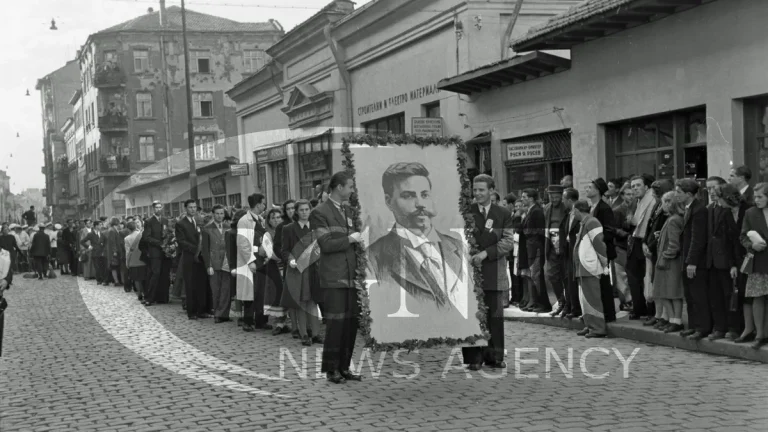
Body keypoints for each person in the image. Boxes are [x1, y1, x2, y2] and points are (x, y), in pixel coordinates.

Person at [366, 162, 470, 314]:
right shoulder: (373, 258)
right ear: (388, 201)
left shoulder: (458, 247)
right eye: (408, 196)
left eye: (425, 195)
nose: (420, 204)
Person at [311, 171, 362, 384]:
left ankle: (344, 366)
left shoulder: (349, 210)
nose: (352, 191)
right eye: (350, 187)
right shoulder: (319, 212)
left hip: (352, 276)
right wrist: (350, 239)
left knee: (350, 324)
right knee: (336, 324)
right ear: (339, 187)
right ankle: (331, 369)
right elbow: (326, 244)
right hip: (334, 276)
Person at [467, 174, 514, 370]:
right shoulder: (466, 212)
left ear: (491, 191)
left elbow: (508, 241)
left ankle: (495, 357)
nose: (477, 193)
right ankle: (474, 358)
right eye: (475, 190)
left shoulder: (502, 213)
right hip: (471, 273)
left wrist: (486, 253)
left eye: (481, 190)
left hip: (494, 269)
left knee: (495, 316)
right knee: (474, 316)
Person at [707, 183, 746, 340]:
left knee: (744, 296)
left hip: (750, 256)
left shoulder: (746, 210)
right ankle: (731, 327)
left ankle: (741, 328)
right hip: (734, 259)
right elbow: (727, 242)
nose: (717, 199)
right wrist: (732, 264)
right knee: (730, 295)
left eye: (719, 196)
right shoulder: (726, 214)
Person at [281, 199, 322, 346]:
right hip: (297, 270)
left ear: (310, 210)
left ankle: (316, 334)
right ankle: (304, 334)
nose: (304, 212)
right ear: (296, 212)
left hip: (313, 269)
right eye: (301, 210)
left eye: (307, 209)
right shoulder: (289, 229)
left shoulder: (316, 227)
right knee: (302, 303)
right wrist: (291, 260)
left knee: (313, 301)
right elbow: (284, 250)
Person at [676, 178, 710, 340]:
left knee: (698, 295)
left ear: (689, 194)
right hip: (687, 259)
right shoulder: (689, 208)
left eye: (679, 192)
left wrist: (692, 262)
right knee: (689, 295)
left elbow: (698, 239)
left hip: (695, 262)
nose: (677, 195)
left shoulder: (699, 210)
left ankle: (702, 327)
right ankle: (693, 324)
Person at [573, 200, 608, 338]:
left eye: (573, 211)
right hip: (583, 267)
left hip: (589, 266)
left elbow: (599, 244)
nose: (572, 213)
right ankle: (589, 325)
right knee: (585, 299)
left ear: (577, 210)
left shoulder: (592, 222)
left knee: (592, 298)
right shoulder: (586, 222)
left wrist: (604, 264)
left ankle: (598, 327)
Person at [739, 182, 768, 349]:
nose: (756, 200)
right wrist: (752, 245)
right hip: (758, 261)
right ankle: (760, 334)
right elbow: (743, 236)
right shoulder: (750, 213)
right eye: (755, 197)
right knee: (757, 296)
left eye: (760, 197)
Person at [236, 193, 271, 332]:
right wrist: (250, 261)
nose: (264, 206)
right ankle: (248, 321)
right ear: (257, 205)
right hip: (251, 261)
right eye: (263, 203)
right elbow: (243, 243)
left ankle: (261, 321)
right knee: (250, 293)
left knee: (261, 292)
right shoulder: (244, 221)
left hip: (262, 260)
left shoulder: (260, 219)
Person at [652, 191, 685, 333]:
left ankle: (676, 319)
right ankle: (672, 319)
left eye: (666, 202)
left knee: (672, 292)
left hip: (669, 263)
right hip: (667, 262)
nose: (663, 205)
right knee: (665, 293)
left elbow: (674, 244)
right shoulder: (672, 219)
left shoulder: (674, 220)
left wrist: (665, 256)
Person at [586, 177, 617, 323]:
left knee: (604, 284)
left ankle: (608, 315)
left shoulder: (604, 208)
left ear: (597, 190)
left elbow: (609, 231)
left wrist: (597, 240)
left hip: (602, 252)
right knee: (594, 286)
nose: (587, 189)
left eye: (590, 187)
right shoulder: (591, 207)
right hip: (591, 252)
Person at [626, 174, 656, 320]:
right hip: (636, 241)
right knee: (634, 276)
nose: (635, 188)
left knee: (648, 277)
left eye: (638, 185)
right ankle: (639, 308)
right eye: (633, 186)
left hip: (646, 241)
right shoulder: (636, 201)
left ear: (646, 187)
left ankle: (650, 310)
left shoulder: (652, 198)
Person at [176, 199, 209, 320]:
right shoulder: (181, 223)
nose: (193, 209)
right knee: (190, 285)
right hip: (189, 257)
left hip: (200, 258)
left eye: (194, 207)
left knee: (201, 284)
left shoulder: (198, 221)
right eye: (190, 207)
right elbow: (181, 242)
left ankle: (201, 310)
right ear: (185, 208)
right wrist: (196, 249)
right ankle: (192, 312)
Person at [518, 188, 548, 312]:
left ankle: (543, 303)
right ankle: (534, 301)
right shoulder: (529, 211)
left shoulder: (537, 211)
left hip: (535, 248)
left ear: (531, 198)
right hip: (529, 247)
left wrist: (527, 232)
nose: (522, 199)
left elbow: (541, 230)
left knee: (537, 276)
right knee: (532, 276)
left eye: (524, 197)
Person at [202, 205, 232, 324]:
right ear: (213, 214)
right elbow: (205, 249)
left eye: (222, 213)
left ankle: (225, 314)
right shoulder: (207, 228)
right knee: (216, 290)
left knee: (226, 289)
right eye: (217, 214)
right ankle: (217, 314)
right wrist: (208, 265)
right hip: (214, 263)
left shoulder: (228, 227)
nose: (220, 216)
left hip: (226, 262)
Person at [262, 208, 289, 333]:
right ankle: (279, 323)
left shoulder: (288, 229)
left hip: (288, 266)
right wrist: (283, 257)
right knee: (277, 294)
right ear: (269, 220)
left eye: (278, 217)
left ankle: (289, 322)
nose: (276, 220)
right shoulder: (268, 234)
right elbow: (269, 252)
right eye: (273, 218)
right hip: (275, 266)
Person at [543, 185, 567, 317]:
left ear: (561, 195)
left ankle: (569, 304)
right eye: (551, 196)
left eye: (556, 196)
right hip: (551, 244)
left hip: (564, 245)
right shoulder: (547, 208)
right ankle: (561, 300)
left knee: (565, 276)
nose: (554, 198)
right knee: (552, 275)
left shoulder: (567, 208)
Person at [559, 188, 581, 319]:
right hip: (568, 251)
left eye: (564, 199)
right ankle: (571, 306)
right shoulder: (568, 214)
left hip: (576, 251)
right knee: (569, 281)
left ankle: (576, 308)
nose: (562, 201)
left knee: (574, 281)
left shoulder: (579, 214)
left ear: (570, 200)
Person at [612, 183, 635, 309]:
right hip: (621, 246)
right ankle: (625, 301)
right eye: (628, 194)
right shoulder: (617, 210)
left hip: (633, 247)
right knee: (621, 276)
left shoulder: (637, 208)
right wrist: (627, 234)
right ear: (622, 195)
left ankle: (632, 300)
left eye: (632, 194)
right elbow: (613, 229)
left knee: (632, 275)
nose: (631, 196)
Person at [142, 201, 168, 306]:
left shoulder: (165, 220)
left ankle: (162, 297)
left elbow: (167, 233)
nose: (158, 209)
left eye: (160, 207)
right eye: (156, 208)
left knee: (164, 275)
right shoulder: (149, 221)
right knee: (155, 274)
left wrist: (168, 243)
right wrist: (159, 243)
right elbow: (146, 237)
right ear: (153, 209)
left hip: (165, 252)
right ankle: (149, 298)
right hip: (155, 252)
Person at [125, 221, 147, 301]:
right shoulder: (142, 234)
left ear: (128, 229)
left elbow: (128, 252)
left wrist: (127, 262)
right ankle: (146, 293)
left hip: (133, 261)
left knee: (137, 279)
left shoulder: (127, 238)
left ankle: (139, 293)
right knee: (144, 278)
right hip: (143, 259)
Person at [82, 220, 107, 284]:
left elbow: (105, 242)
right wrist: (89, 247)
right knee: (97, 267)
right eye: (100, 225)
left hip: (102, 252)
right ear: (96, 226)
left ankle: (103, 279)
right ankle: (99, 280)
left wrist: (103, 248)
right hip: (95, 253)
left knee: (102, 266)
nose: (101, 226)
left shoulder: (102, 233)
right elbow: (82, 241)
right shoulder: (91, 234)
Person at [105, 217, 124, 287]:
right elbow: (112, 242)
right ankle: (116, 281)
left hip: (115, 251)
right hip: (113, 252)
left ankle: (116, 280)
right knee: (114, 266)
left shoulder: (113, 230)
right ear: (116, 222)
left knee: (115, 266)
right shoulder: (112, 230)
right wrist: (115, 251)